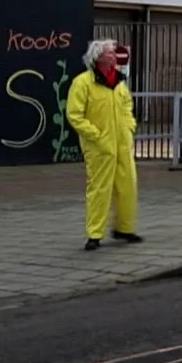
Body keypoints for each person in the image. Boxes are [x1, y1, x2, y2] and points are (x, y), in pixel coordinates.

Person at [66, 39, 142, 251]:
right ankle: (94, 233)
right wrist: (95, 135)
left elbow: (127, 106)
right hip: (99, 147)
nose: (114, 56)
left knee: (127, 187)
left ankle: (124, 228)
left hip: (122, 145)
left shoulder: (119, 82)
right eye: (110, 53)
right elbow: (74, 115)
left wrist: (129, 127)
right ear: (98, 57)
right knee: (100, 189)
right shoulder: (83, 83)